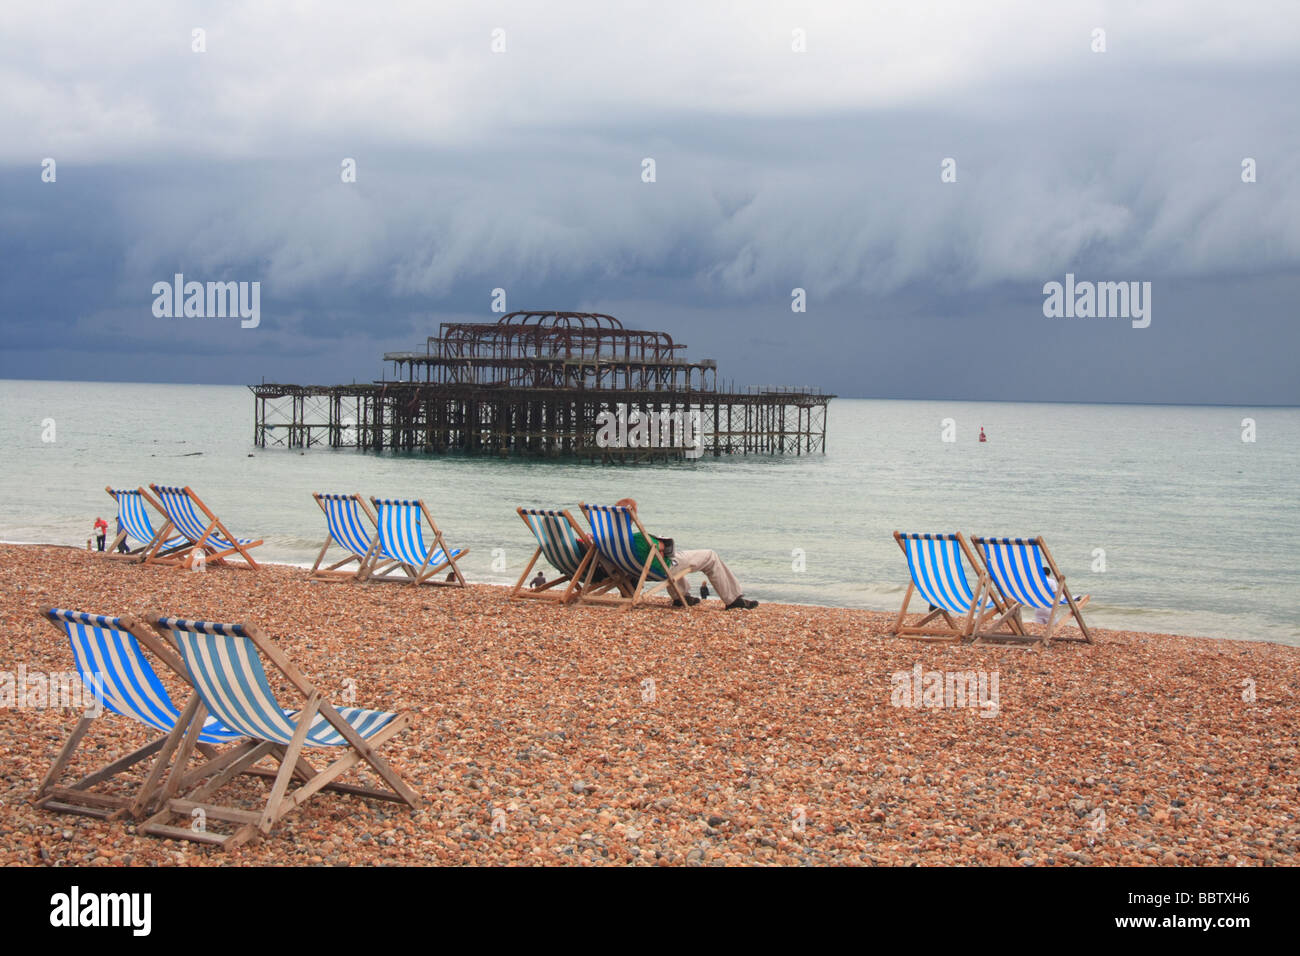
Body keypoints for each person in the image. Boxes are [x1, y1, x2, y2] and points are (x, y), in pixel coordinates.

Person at [614, 498, 757, 610]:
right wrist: (662, 543)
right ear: (633, 514)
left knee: (673, 558)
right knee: (710, 556)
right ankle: (733, 600)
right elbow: (660, 547)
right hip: (658, 570)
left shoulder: (611, 539)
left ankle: (681, 596)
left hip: (634, 570)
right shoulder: (638, 538)